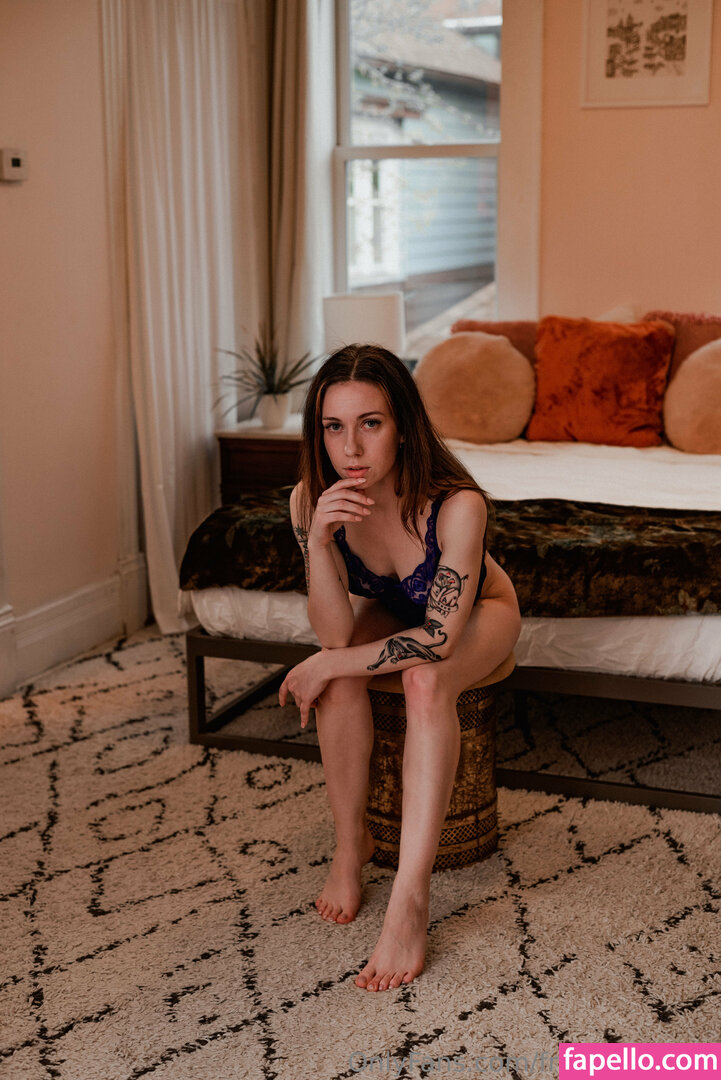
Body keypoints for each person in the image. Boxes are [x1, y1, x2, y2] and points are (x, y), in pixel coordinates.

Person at [278, 343, 520, 992]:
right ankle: (349, 845)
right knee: (339, 673)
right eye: (334, 427)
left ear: (403, 426)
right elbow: (333, 634)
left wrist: (324, 663)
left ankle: (411, 897)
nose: (350, 448)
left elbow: (438, 639)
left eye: (370, 423)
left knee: (422, 678)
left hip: (480, 612)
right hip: (392, 607)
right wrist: (318, 540)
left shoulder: (457, 505)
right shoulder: (310, 500)